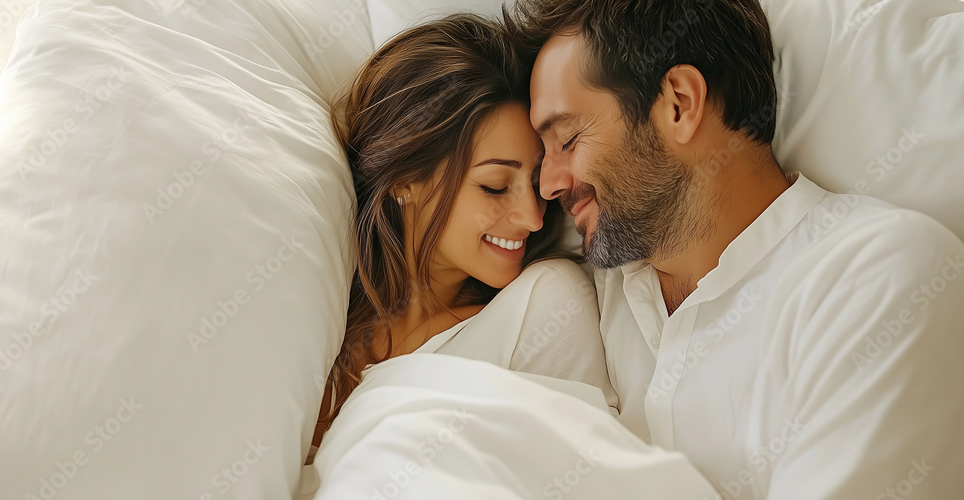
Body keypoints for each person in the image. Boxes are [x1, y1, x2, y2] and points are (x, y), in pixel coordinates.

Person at [507, 0, 964, 498]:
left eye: (568, 139)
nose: (548, 186)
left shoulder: (876, 279)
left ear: (679, 104)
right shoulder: (592, 295)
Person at [311, 14, 618, 453]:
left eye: (535, 184)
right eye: (495, 186)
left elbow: (592, 460)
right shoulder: (317, 319)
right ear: (405, 179)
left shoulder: (543, 308)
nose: (533, 219)